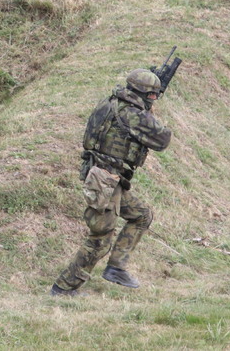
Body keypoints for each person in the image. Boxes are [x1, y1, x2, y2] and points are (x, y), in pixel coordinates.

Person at [51, 68, 173, 296]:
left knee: (141, 215)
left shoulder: (109, 103)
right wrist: (148, 111)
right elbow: (163, 139)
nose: (154, 99)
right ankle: (64, 287)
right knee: (100, 238)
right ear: (144, 94)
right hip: (105, 181)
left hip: (105, 178)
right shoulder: (134, 115)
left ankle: (116, 268)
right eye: (152, 95)